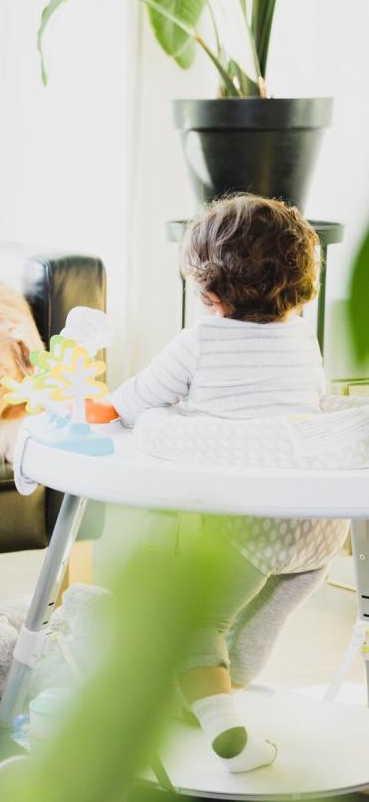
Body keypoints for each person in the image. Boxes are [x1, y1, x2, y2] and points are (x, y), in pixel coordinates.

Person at [105, 194, 349, 773]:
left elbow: (134, 405)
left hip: (246, 527)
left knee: (201, 626)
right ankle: (214, 698)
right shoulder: (303, 341)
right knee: (253, 630)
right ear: (302, 282)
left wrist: (99, 407)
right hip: (317, 530)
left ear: (208, 291)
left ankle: (224, 731)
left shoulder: (199, 341)